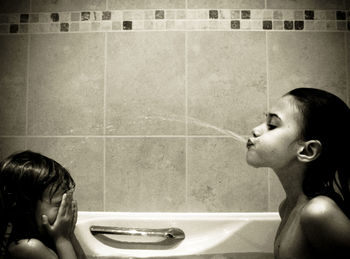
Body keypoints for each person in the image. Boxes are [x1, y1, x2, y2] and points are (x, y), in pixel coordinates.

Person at [246, 88, 350, 259]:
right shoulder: (287, 207)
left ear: (308, 151)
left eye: (272, 125)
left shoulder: (318, 212)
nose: (256, 130)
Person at [0, 150, 86, 259]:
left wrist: (69, 234)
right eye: (60, 204)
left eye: (67, 204)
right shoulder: (28, 247)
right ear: (26, 208)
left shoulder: (48, 236)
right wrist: (62, 239)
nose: (66, 212)